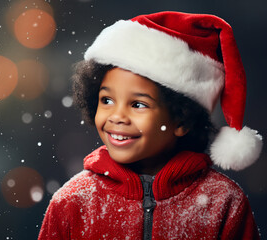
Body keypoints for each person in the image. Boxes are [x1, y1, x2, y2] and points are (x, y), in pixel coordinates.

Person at [38, 11, 263, 239]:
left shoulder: (224, 202)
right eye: (106, 100)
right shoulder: (71, 201)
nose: (117, 116)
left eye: (138, 104)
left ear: (182, 119)